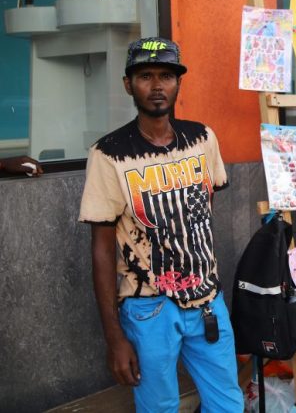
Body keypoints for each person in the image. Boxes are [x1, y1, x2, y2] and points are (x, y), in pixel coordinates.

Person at [78, 37, 244, 411]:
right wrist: (114, 337)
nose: (156, 86)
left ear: (178, 83)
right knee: (160, 407)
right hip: (148, 308)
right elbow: (102, 248)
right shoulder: (109, 154)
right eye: (145, 76)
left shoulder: (202, 138)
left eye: (166, 76)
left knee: (229, 404)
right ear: (127, 84)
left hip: (207, 301)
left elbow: (201, 209)